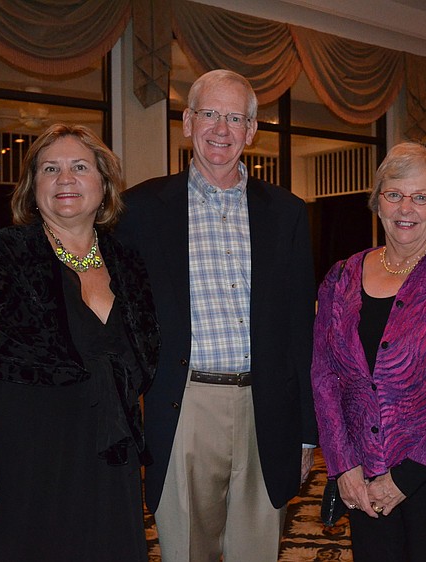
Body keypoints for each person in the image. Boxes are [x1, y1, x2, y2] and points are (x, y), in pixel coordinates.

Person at [115, 69, 317, 561]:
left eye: (234, 117)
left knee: (258, 551)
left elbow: (300, 329)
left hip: (265, 410)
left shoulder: (286, 212)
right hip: (181, 406)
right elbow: (120, 317)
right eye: (209, 114)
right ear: (187, 122)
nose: (221, 129)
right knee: (187, 552)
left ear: (251, 131)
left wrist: (309, 431)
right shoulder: (139, 209)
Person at [0, 124, 160, 562]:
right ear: (32, 188)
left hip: (107, 482)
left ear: (103, 184)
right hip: (25, 477)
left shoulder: (128, 263)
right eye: (49, 169)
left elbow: (134, 379)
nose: (65, 179)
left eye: (80, 167)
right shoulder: (4, 254)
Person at [311, 142, 426, 562]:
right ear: (378, 203)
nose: (405, 208)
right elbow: (324, 377)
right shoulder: (341, 276)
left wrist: (403, 480)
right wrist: (343, 466)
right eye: (394, 194)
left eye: (421, 197)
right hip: (362, 475)